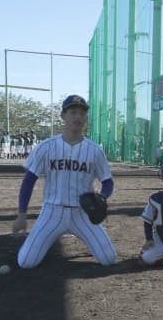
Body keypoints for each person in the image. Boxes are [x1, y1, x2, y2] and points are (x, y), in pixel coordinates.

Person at [11, 95, 118, 269]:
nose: (78, 117)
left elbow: (107, 182)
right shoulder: (46, 146)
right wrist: (21, 215)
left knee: (109, 259)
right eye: (73, 112)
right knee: (26, 262)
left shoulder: (94, 150)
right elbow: (29, 180)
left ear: (86, 118)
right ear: (63, 116)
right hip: (52, 212)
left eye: (82, 113)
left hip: (82, 213)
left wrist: (103, 197)